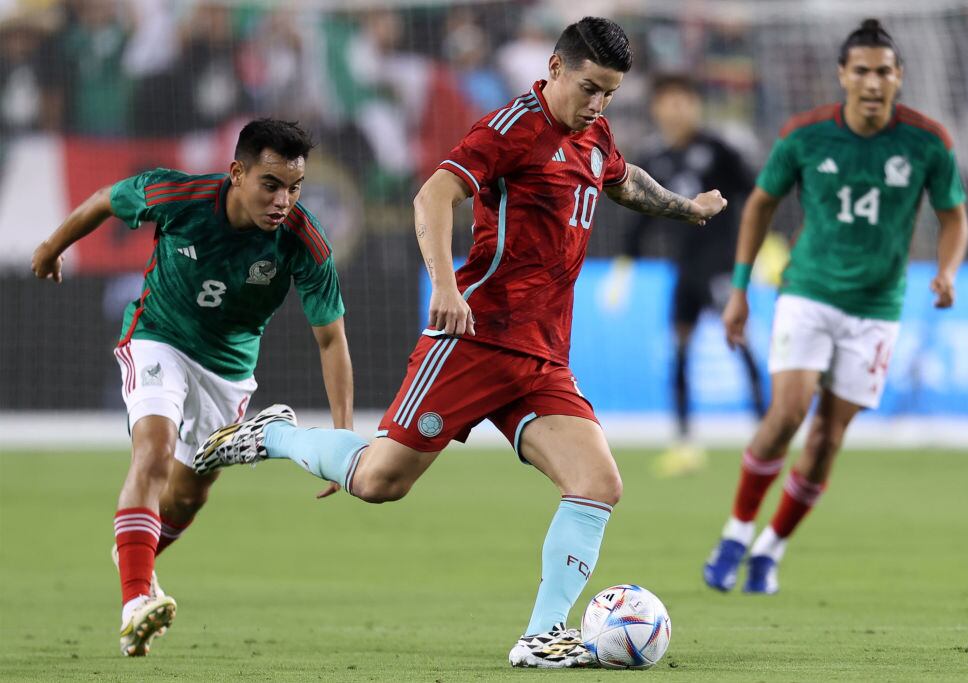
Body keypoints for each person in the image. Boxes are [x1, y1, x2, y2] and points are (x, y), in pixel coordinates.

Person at [194, 17, 726, 668]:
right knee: (380, 480)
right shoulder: (510, 128)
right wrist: (445, 285)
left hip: (541, 354)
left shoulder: (594, 134)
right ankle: (273, 433)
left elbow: (620, 179)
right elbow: (433, 194)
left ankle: (543, 632)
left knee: (597, 480)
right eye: (589, 88)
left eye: (609, 94)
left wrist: (685, 207)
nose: (597, 104)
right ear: (554, 68)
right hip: (474, 337)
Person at [30, 119, 352, 656]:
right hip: (158, 337)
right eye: (270, 184)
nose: (283, 200)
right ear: (237, 173)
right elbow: (106, 200)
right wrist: (50, 246)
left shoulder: (304, 242)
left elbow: (331, 341)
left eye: (294, 188)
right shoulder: (178, 196)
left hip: (227, 372)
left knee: (188, 492)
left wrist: (343, 439)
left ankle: (134, 552)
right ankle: (135, 598)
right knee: (152, 454)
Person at [703, 19, 968, 595]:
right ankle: (735, 533)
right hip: (808, 292)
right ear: (842, 75)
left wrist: (947, 271)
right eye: (862, 71)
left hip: (877, 308)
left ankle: (770, 550)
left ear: (898, 77)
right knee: (789, 413)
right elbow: (759, 207)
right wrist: (743, 290)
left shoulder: (928, 142)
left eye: (883, 71)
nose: (872, 82)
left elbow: (954, 218)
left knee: (827, 438)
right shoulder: (805, 135)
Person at [608, 74, 765, 476]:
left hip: (721, 267)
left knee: (739, 342)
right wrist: (624, 265)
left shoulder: (718, 149)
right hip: (682, 270)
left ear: (695, 106)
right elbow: (640, 217)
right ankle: (683, 443)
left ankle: (766, 434)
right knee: (679, 350)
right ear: (657, 108)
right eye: (668, 102)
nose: (676, 110)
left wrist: (766, 246)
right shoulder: (653, 158)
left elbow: (757, 194)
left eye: (684, 101)